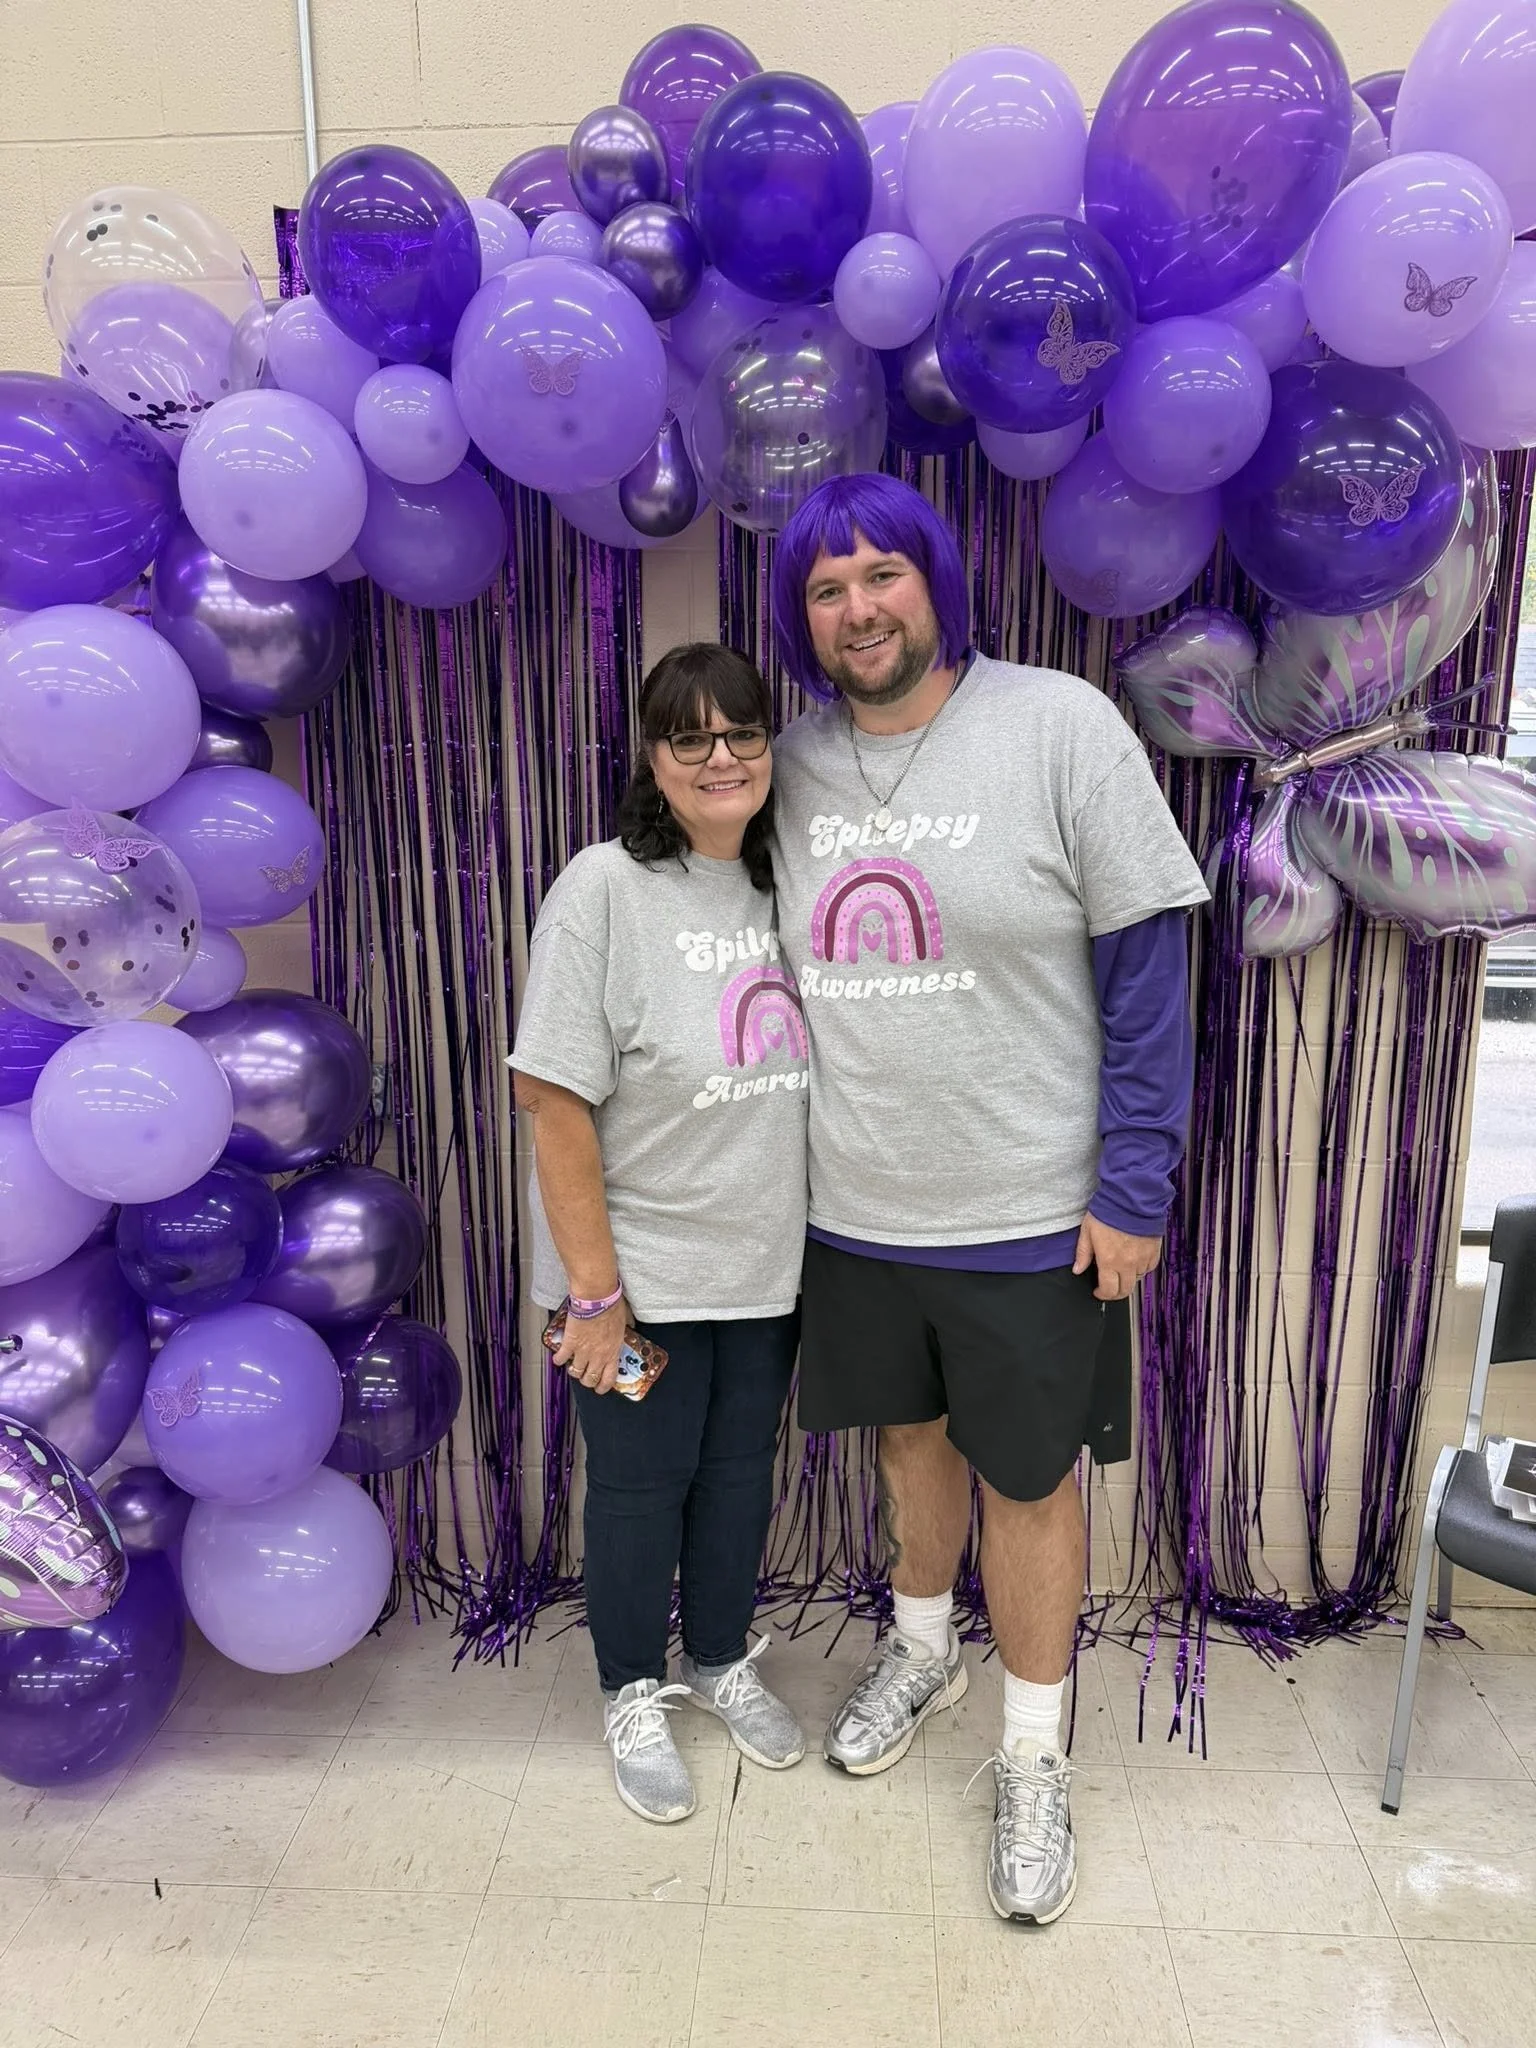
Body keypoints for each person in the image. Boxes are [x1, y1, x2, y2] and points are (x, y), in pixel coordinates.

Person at [767, 473, 1209, 1923]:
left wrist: (1132, 1182)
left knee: (1029, 1480)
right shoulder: (790, 762)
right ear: (803, 619)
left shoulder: (1058, 725)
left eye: (880, 574)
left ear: (935, 582)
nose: (858, 609)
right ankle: (918, 1646)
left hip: (1033, 1210)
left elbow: (1150, 975)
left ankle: (1032, 1756)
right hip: (857, 1207)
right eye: (827, 590)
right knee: (909, 1445)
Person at [509, 642, 809, 1825]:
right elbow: (552, 1098)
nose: (720, 756)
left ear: (772, 747)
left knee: (739, 1476)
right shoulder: (604, 889)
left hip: (766, 1269)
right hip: (632, 1277)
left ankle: (722, 1658)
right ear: (654, 756)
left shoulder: (792, 883)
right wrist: (593, 1296)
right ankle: (633, 1684)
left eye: (741, 732)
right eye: (691, 737)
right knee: (641, 1487)